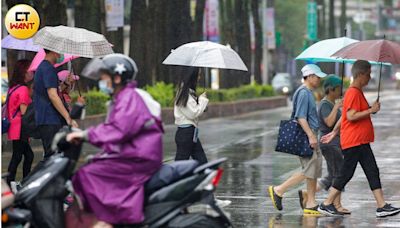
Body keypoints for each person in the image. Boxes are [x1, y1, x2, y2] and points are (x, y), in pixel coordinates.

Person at [66, 54, 163, 226]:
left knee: (86, 175)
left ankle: (111, 218)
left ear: (117, 78)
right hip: (133, 153)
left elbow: (118, 130)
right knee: (91, 165)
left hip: (139, 157)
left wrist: (85, 135)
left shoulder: (128, 98)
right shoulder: (122, 98)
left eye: (104, 78)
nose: (102, 82)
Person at [318, 60, 400, 217]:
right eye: (368, 74)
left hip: (360, 140)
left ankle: (381, 205)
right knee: (346, 173)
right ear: (360, 74)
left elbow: (344, 117)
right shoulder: (354, 92)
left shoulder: (354, 92)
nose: (370, 78)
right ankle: (326, 203)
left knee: (372, 170)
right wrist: (370, 110)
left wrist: (334, 133)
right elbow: (351, 116)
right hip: (355, 141)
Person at [268, 64, 326, 215]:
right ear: (310, 76)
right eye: (318, 77)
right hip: (308, 135)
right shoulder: (303, 93)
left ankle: (311, 202)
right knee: (309, 170)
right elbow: (300, 117)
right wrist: (311, 136)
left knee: (313, 170)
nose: (319, 80)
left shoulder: (307, 92)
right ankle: (279, 190)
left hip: (311, 134)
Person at [298, 75, 350, 214]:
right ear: (331, 89)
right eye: (339, 88)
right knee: (338, 174)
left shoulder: (332, 103)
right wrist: (338, 107)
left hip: (336, 143)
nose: (341, 91)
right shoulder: (325, 104)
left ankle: (308, 194)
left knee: (333, 175)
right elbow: (329, 122)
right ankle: (336, 205)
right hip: (330, 144)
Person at [34, 49, 78, 160]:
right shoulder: (48, 69)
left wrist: (66, 84)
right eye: (60, 51)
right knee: (52, 158)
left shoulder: (44, 68)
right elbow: (53, 95)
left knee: (53, 155)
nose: (61, 54)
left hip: (47, 119)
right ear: (54, 52)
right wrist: (68, 118)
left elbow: (54, 90)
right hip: (50, 119)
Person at [5, 59, 34, 185]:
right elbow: (24, 112)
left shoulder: (13, 88)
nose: (32, 73)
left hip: (14, 127)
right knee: (21, 156)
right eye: (30, 70)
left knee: (24, 155)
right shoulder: (22, 89)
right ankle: (18, 182)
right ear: (24, 72)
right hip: (21, 127)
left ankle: (12, 182)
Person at [174, 67, 209, 164]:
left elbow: (194, 110)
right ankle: (175, 179)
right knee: (180, 164)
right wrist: (202, 100)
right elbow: (193, 113)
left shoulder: (188, 93)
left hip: (191, 133)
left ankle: (206, 176)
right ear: (192, 76)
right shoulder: (182, 93)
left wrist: (201, 102)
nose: (199, 78)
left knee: (202, 162)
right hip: (186, 133)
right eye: (198, 75)